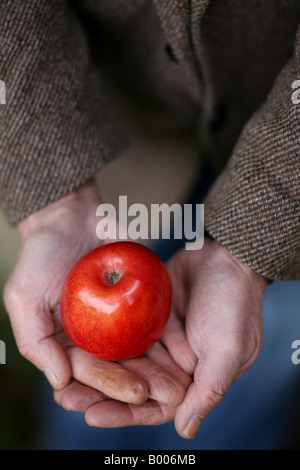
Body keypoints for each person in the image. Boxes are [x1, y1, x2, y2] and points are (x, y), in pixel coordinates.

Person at [1, 0, 300, 446]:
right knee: (93, 400)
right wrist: (55, 205)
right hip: (126, 145)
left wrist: (248, 249)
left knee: (261, 344)